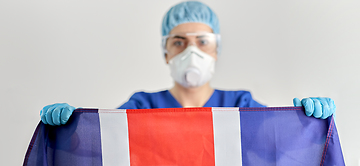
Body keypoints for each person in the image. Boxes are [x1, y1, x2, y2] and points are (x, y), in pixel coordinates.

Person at [40, 1, 336, 126]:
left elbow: (279, 146)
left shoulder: (241, 105)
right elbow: (98, 149)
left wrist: (308, 123)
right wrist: (69, 129)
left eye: (202, 41)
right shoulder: (141, 107)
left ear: (216, 50)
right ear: (166, 52)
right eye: (179, 42)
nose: (191, 51)